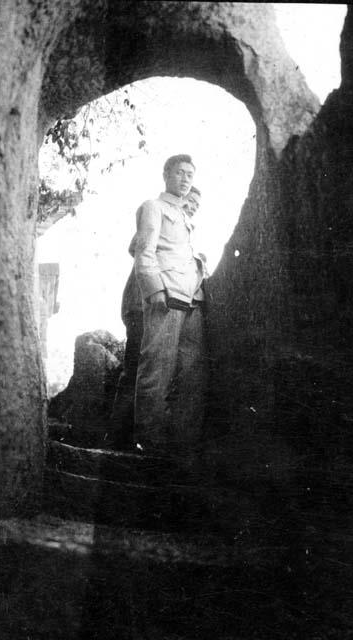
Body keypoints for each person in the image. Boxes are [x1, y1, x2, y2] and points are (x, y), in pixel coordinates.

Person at [110, 186, 204, 450]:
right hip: (141, 303)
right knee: (137, 369)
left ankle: (128, 437)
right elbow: (139, 249)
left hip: (159, 299)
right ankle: (120, 439)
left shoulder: (185, 234)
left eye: (197, 204)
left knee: (146, 369)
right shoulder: (161, 219)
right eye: (189, 202)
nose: (192, 207)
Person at [133, 155, 207, 456]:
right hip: (168, 296)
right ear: (166, 175)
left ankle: (181, 446)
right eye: (180, 173)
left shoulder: (187, 215)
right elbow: (143, 251)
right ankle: (149, 445)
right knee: (157, 369)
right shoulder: (154, 207)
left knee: (191, 373)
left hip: (194, 299)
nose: (186, 179)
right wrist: (154, 290)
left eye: (190, 174)